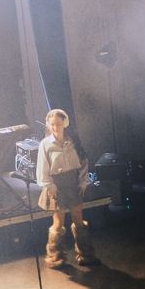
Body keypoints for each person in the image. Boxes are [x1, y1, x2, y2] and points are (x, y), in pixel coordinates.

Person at [36, 107, 99, 269]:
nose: (55, 127)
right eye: (52, 124)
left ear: (64, 124)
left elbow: (83, 163)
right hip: (56, 185)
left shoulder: (73, 142)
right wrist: (50, 185)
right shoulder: (45, 144)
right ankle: (55, 256)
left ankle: (85, 254)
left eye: (58, 124)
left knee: (78, 218)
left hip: (72, 182)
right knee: (58, 222)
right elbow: (42, 168)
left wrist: (83, 182)